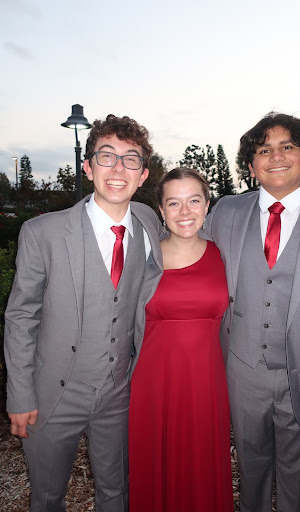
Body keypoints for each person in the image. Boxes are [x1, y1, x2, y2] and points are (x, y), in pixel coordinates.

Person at [4, 114, 163, 512]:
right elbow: (22, 317)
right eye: (106, 156)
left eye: (131, 159)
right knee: (46, 496)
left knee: (116, 492)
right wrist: (19, 393)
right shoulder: (43, 233)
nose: (118, 168)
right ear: (88, 166)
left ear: (143, 175)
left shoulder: (148, 223)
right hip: (53, 391)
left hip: (118, 390)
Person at [204, 112, 300, 511]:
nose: (276, 156)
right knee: (252, 478)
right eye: (264, 149)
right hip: (241, 376)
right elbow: (185, 259)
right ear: (251, 166)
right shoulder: (225, 212)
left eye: (288, 147)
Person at [128, 167, 234, 512]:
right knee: (155, 467)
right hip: (153, 384)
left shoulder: (227, 257)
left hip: (207, 382)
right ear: (161, 210)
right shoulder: (143, 258)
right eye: (174, 203)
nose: (185, 212)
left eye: (194, 201)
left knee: (203, 467)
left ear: (207, 205)